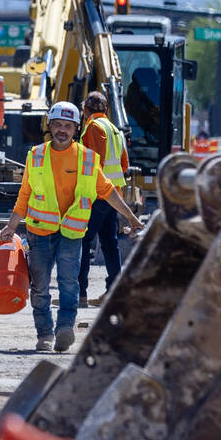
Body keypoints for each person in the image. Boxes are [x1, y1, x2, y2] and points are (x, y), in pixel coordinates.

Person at [0, 101, 145, 352]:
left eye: (67, 126)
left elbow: (108, 191)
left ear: (76, 129)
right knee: (40, 287)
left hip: (71, 232)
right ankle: (44, 333)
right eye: (57, 125)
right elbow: (25, 193)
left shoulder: (87, 159)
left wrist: (130, 217)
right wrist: (11, 226)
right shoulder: (37, 155)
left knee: (69, 284)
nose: (62, 130)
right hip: (40, 231)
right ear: (50, 126)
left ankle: (65, 327)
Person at [77, 91, 129, 308]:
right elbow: (124, 165)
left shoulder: (92, 127)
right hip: (113, 194)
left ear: (86, 111)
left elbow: (91, 163)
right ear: (106, 109)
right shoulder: (116, 130)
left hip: (97, 194)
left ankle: (78, 294)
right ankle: (114, 293)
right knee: (109, 243)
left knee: (82, 240)